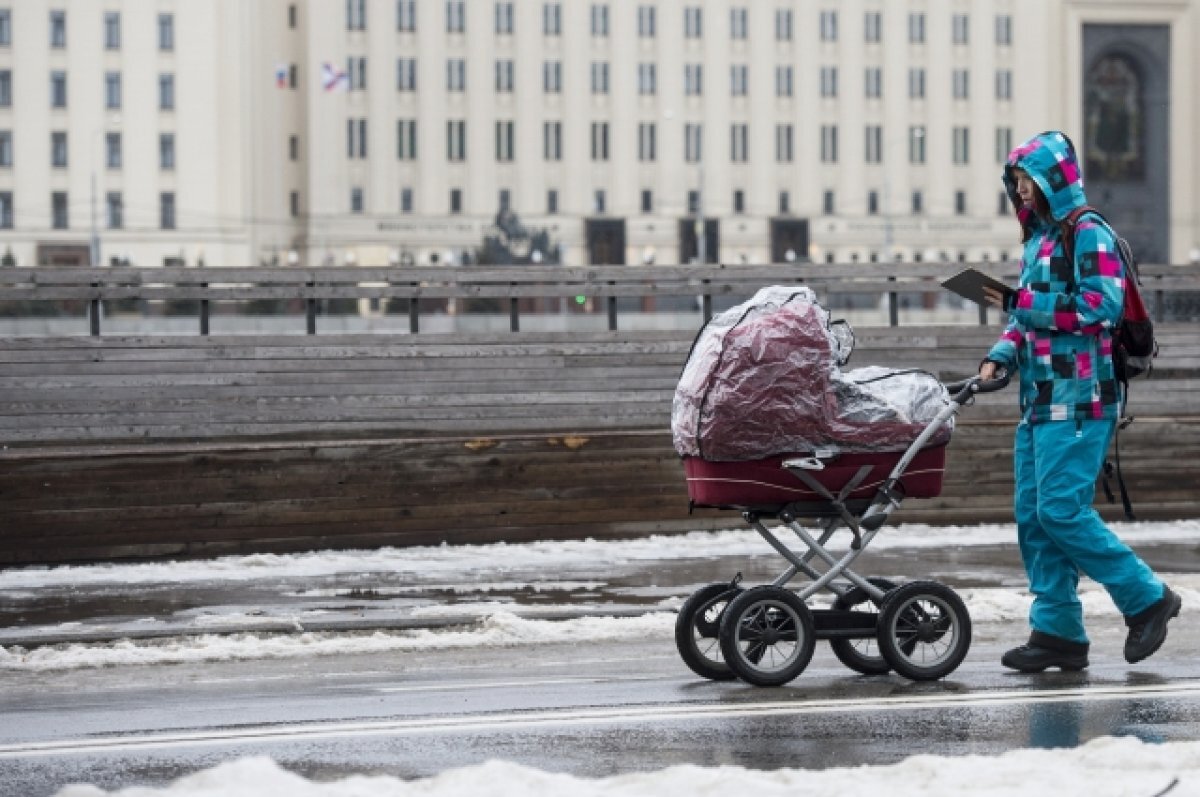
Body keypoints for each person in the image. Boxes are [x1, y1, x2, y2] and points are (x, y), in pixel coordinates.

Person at [978, 130, 1180, 672]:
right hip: (1039, 399)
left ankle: (1147, 598)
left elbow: (1098, 307)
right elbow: (1027, 319)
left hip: (1083, 399)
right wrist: (1000, 354)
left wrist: (1022, 302)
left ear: (1052, 182)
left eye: (1027, 182)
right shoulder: (1038, 241)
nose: (1020, 191)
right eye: (1016, 182)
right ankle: (1058, 632)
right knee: (1034, 517)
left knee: (1062, 512)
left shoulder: (1088, 233)